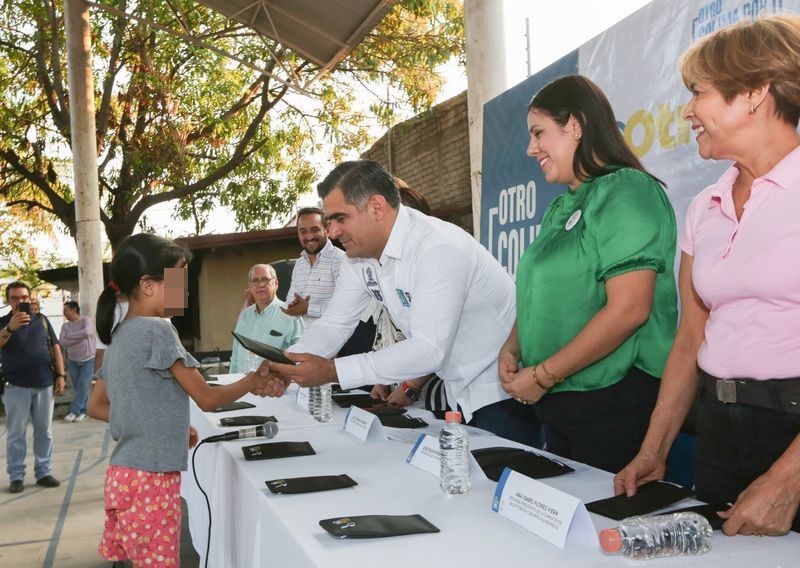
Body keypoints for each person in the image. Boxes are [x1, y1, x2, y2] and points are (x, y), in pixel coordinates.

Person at [616, 15, 800, 536]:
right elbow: (689, 340)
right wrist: (655, 449)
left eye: (699, 92)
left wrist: (788, 480)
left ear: (754, 93)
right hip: (719, 435)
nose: (688, 110)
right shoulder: (704, 206)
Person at [259, 160, 542, 447]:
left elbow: (429, 348)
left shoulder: (436, 247)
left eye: (340, 219)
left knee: (500, 485)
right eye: (329, 221)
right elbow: (334, 324)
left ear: (376, 207)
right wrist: (285, 365)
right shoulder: (359, 258)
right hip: (460, 392)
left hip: (505, 391)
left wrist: (332, 371)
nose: (332, 233)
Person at [498, 75, 678, 473]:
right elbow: (537, 294)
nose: (531, 148)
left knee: (609, 530)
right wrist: (513, 348)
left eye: (539, 133)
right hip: (561, 405)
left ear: (575, 126)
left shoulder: (627, 191)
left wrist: (542, 375)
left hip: (613, 404)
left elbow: (630, 309)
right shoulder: (560, 207)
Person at [88, 233, 271, 566]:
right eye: (177, 280)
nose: (184, 290)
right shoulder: (159, 331)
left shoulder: (118, 337)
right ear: (147, 285)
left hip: (124, 476)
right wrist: (253, 379)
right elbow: (207, 398)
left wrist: (163, 426)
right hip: (152, 481)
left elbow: (97, 406)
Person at [0, 281, 66, 493]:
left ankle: (43, 471)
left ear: (30, 298)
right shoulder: (3, 322)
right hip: (15, 385)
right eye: (15, 298)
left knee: (44, 431)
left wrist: (61, 375)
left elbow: (55, 348)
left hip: (45, 383)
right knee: (16, 433)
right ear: (8, 301)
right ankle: (16, 476)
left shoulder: (42, 320)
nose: (20, 302)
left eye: (23, 298)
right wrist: (11, 327)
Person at [229, 263, 303, 373]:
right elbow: (235, 356)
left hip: (275, 386)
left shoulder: (290, 314)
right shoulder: (245, 315)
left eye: (265, 279)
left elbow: (299, 357)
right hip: (242, 385)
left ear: (276, 283)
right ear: (250, 286)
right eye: (255, 281)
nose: (260, 285)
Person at [282, 206, 345, 328]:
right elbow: (290, 305)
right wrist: (290, 308)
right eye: (303, 231)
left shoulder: (340, 260)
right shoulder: (299, 264)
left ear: (327, 230)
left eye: (315, 230)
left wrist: (308, 309)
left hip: (335, 342)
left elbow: (345, 309)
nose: (309, 236)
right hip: (302, 340)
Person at [59, 300, 97, 423]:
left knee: (83, 385)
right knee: (79, 387)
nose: (64, 313)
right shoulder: (65, 326)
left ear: (74, 310)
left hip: (88, 360)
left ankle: (74, 411)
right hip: (72, 361)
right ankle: (83, 412)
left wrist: (70, 336)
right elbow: (63, 342)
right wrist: (78, 337)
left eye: (66, 310)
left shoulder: (86, 320)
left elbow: (88, 332)